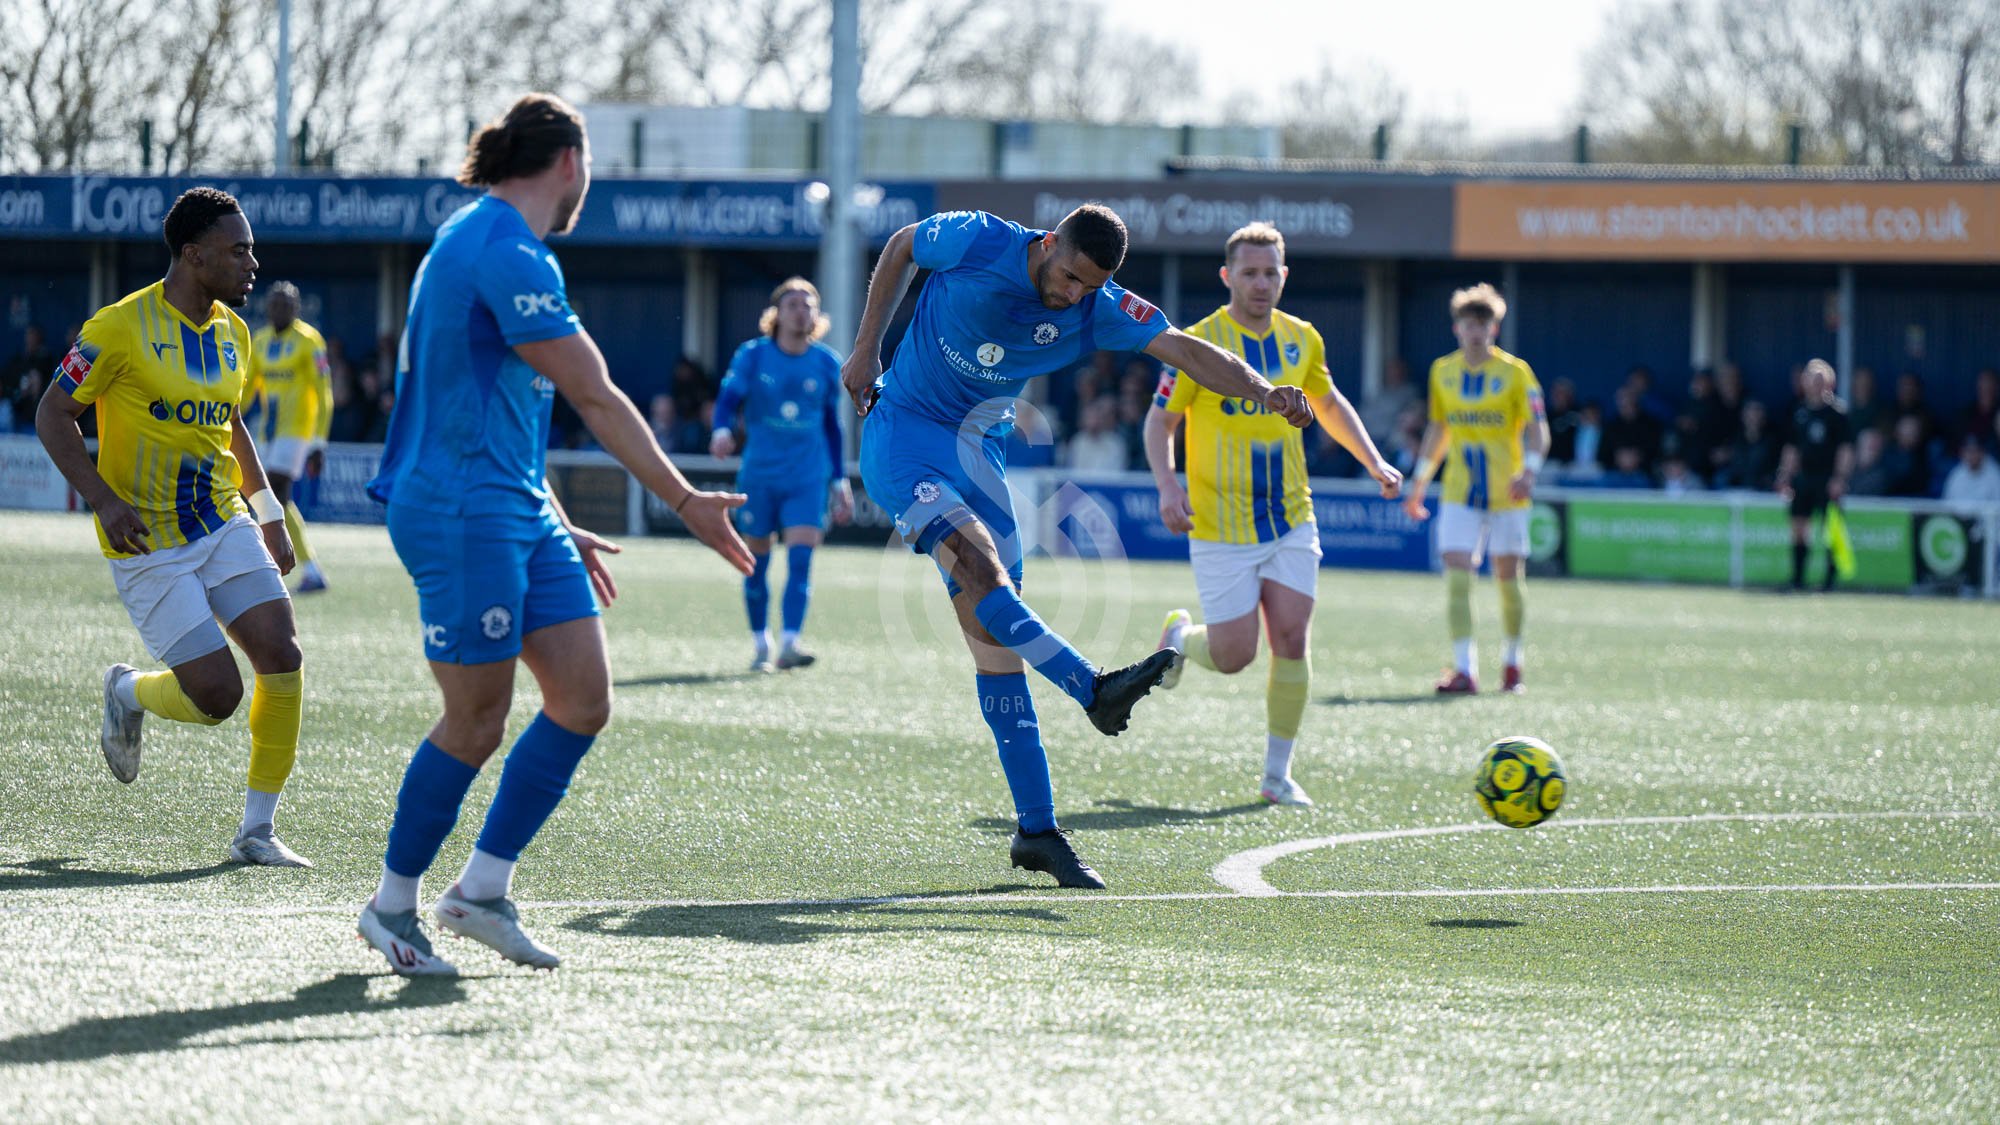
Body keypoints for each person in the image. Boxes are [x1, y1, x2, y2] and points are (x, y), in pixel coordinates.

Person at [357, 94, 754, 977]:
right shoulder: (498, 246)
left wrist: (557, 515)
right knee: (476, 720)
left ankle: (480, 892)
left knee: (581, 697)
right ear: (570, 162)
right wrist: (685, 501)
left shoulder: (492, 239)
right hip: (461, 508)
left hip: (515, 504)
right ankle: (391, 906)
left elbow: (492, 399)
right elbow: (596, 394)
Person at [842, 204, 1314, 889]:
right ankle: (1091, 686)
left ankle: (1037, 829)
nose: (1070, 295)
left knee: (995, 642)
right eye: (1066, 276)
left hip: (982, 458)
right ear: (1048, 242)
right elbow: (901, 245)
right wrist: (865, 348)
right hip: (906, 435)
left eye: (1086, 287)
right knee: (981, 574)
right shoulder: (981, 237)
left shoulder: (1098, 305)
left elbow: (1183, 348)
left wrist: (1265, 390)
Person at [32, 187, 309, 867]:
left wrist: (269, 512)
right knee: (217, 696)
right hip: (147, 541)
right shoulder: (117, 328)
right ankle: (127, 690)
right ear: (193, 254)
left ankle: (256, 831)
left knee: (283, 651)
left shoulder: (233, 332)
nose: (253, 262)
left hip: (222, 518)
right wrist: (102, 499)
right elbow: (51, 414)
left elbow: (231, 423)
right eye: (238, 249)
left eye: (252, 249)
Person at [1142, 222, 1400, 806]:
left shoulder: (1302, 338)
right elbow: (1161, 421)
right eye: (1249, 273)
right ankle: (1180, 638)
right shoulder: (1197, 341)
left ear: (1284, 277)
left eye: (1270, 273)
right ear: (1227, 276)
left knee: (1290, 637)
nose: (1260, 284)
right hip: (1219, 525)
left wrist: (1375, 462)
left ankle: (1277, 775)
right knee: (1235, 657)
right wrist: (1166, 485)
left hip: (1290, 517)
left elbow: (1330, 404)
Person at [1400, 283, 1550, 695]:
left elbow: (1539, 428)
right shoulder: (1442, 372)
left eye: (1484, 325)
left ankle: (1513, 662)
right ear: (1457, 328)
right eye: (1469, 324)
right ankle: (1465, 670)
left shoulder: (1516, 373)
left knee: (1508, 578)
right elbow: (1438, 429)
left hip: (1509, 492)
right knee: (1457, 574)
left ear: (1495, 329)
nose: (1476, 332)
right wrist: (1418, 484)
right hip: (1459, 492)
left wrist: (1531, 471)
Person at [710, 277, 854, 672]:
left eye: (808, 304)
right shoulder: (753, 355)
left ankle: (790, 642)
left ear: (817, 315)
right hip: (761, 474)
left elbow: (832, 426)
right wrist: (722, 430)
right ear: (776, 313)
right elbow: (728, 399)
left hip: (808, 476)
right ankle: (761, 643)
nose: (801, 310)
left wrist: (839, 480)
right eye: (792, 303)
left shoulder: (826, 361)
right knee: (756, 563)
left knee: (802, 560)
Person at [245, 282, 334, 592]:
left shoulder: (310, 341)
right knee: (269, 497)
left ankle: (300, 568)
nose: (279, 310)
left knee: (276, 493)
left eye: (285, 305)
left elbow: (324, 395)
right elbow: (246, 391)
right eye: (274, 304)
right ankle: (297, 567)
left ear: (296, 308)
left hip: (297, 432)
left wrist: (318, 442)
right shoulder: (259, 341)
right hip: (267, 432)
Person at [1775, 358, 1854, 592]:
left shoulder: (1838, 414)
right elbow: (1792, 448)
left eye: (1821, 379)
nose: (1815, 383)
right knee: (1799, 527)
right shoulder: (1799, 413)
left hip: (1828, 478)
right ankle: (1798, 579)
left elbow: (1846, 449)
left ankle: (1830, 581)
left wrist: (1840, 478)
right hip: (1804, 478)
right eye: (1811, 378)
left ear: (1830, 382)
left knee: (1830, 531)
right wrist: (1785, 475)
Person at [4, 324, 56, 433]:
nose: (30, 339)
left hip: (38, 414)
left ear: (39, 339)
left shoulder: (46, 360)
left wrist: (35, 386)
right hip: (18, 412)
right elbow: (10, 384)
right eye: (28, 336)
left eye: (33, 336)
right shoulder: (19, 360)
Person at [1941, 432, 2000, 511]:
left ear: (1982, 452)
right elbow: (1947, 505)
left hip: (1987, 521)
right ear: (1962, 453)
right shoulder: (1956, 474)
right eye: (1968, 451)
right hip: (1961, 520)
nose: (1971, 455)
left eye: (1975, 451)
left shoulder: (1994, 473)